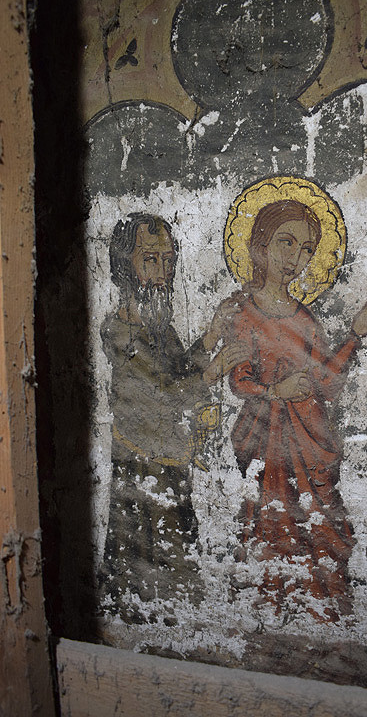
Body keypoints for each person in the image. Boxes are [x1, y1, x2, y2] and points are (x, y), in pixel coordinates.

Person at [226, 199, 367, 622]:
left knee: (320, 531)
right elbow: (239, 380)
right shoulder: (244, 313)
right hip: (267, 444)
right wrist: (276, 390)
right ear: (260, 244)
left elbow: (327, 383)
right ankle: (270, 620)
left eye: (307, 249)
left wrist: (357, 333)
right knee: (271, 528)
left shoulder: (306, 319)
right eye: (286, 243)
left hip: (311, 443)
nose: (296, 258)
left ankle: (322, 621)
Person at [100, 212, 245, 621]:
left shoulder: (158, 327)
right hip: (140, 465)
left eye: (168, 260)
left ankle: (171, 624)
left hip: (168, 461)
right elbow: (162, 394)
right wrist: (214, 370)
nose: (163, 271)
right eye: (150, 260)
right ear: (124, 266)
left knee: (175, 550)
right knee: (147, 561)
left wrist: (212, 334)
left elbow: (179, 368)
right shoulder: (120, 331)